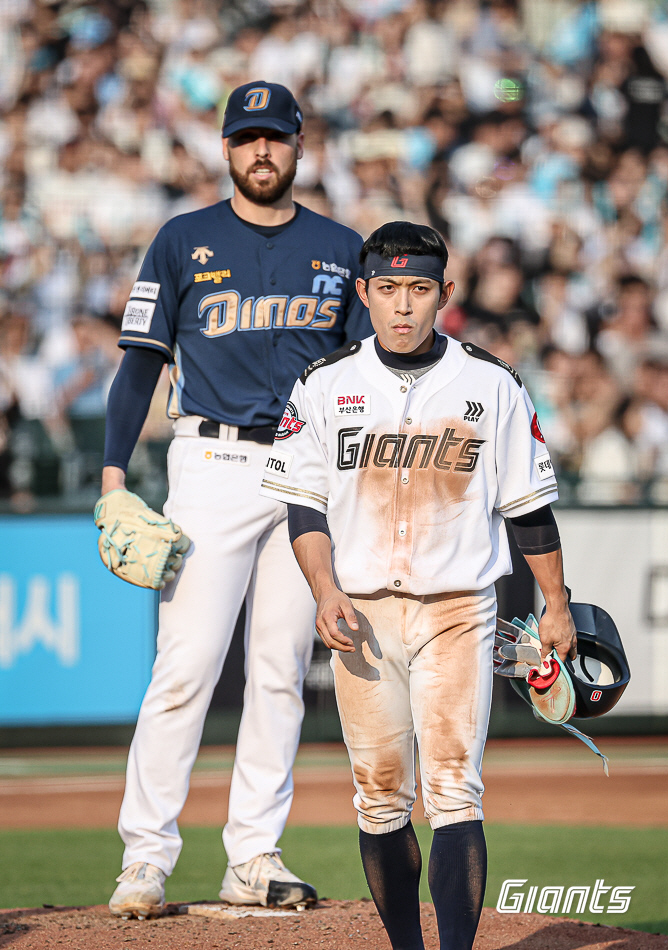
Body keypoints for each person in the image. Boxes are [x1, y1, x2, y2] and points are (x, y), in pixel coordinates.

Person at [260, 221, 577, 950]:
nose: (404, 304)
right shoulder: (323, 383)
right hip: (361, 611)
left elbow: (528, 506)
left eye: (420, 289)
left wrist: (556, 604)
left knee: (454, 789)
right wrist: (323, 588)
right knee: (378, 798)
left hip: (458, 610)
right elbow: (302, 504)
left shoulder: (490, 383)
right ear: (364, 293)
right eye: (390, 288)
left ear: (445, 294)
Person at [102, 81, 371, 919]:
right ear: (226, 148)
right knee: (184, 669)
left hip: (305, 468)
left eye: (276, 138)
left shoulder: (340, 246)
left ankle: (253, 854)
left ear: (299, 147)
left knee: (281, 672)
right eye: (247, 137)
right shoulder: (183, 239)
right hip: (210, 462)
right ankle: (145, 858)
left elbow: (364, 375)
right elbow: (140, 364)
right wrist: (114, 476)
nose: (262, 151)